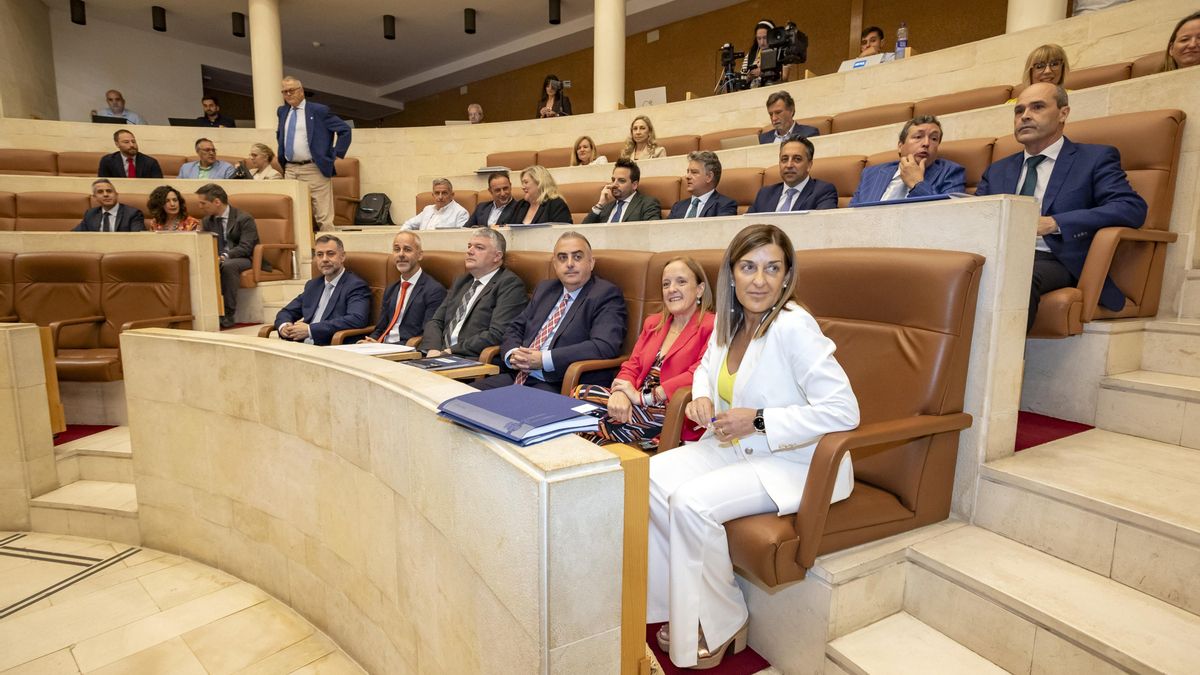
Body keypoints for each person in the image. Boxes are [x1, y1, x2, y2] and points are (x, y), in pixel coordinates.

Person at [647, 223, 859, 669]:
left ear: (787, 276)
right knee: (646, 479)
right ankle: (681, 605)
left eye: (772, 268)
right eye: (748, 267)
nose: (760, 280)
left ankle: (725, 619)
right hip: (733, 447)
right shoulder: (732, 320)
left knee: (690, 503)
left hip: (794, 461)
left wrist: (759, 420)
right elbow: (705, 368)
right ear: (731, 274)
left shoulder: (793, 326)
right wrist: (701, 395)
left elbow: (844, 411)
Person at [975, 83, 1147, 332]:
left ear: (1063, 113)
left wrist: (1055, 223)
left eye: (1037, 107)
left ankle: (1003, 358)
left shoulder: (1094, 159)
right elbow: (977, 217)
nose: (1025, 116)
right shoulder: (998, 170)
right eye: (1019, 110)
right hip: (997, 254)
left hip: (1055, 258)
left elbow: (1131, 208)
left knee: (1015, 276)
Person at [572, 256, 715, 447]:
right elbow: (633, 365)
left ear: (699, 289)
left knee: (577, 412)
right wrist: (620, 393)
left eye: (681, 282)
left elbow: (699, 373)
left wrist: (646, 397)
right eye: (666, 284)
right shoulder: (654, 323)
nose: (672, 289)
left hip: (672, 411)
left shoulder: (711, 326)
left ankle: (614, 439)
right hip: (637, 405)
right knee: (579, 397)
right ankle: (622, 446)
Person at [474, 231, 626, 392]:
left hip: (557, 383)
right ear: (555, 264)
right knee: (463, 397)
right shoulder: (546, 289)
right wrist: (513, 353)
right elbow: (515, 327)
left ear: (591, 263)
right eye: (562, 258)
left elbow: (604, 346)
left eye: (577, 257)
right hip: (517, 374)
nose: (569, 264)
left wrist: (544, 359)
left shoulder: (605, 294)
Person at [422, 228, 528, 359]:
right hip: (439, 355)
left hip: (470, 358)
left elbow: (497, 334)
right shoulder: (462, 281)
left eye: (479, 247)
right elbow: (436, 321)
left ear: (497, 256)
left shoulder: (509, 284)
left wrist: (450, 351)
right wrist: (433, 349)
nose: (469, 251)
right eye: (469, 246)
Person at [276, 76, 352, 232]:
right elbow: (281, 135)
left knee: (323, 217)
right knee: (293, 214)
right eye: (284, 92)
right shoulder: (282, 111)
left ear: (301, 91)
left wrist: (335, 154)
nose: (288, 94)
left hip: (314, 168)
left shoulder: (319, 111)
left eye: (291, 90)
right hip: (290, 169)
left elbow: (345, 130)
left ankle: (330, 246)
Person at [273, 235, 371, 346]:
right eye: (320, 255)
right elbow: (287, 312)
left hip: (329, 345)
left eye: (330, 254)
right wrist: (284, 326)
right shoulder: (313, 285)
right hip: (301, 344)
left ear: (342, 256)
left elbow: (356, 319)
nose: (324, 259)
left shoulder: (355, 285)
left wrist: (310, 330)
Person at [849, 115, 966, 206]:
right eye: (918, 137)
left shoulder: (950, 172)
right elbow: (851, 214)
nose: (926, 143)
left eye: (934, 139)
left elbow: (950, 216)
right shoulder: (871, 173)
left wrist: (917, 184)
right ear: (900, 146)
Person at [363, 232, 447, 345]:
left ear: (420, 255)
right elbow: (380, 328)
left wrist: (382, 347)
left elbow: (427, 334)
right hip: (381, 347)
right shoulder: (391, 289)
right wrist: (369, 341)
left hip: (407, 348)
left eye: (407, 249)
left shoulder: (434, 291)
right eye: (397, 249)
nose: (401, 254)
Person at [197, 183, 258, 329]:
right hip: (217, 258)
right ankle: (206, 311)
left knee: (228, 266)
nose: (200, 207)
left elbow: (246, 247)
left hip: (244, 258)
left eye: (203, 203)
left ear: (217, 202)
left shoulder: (244, 218)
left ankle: (228, 314)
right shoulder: (207, 221)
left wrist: (224, 256)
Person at [748, 135, 838, 213]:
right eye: (784, 159)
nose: (789, 165)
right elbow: (747, 224)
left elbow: (822, 224)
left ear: (809, 165)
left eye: (797, 159)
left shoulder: (823, 192)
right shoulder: (765, 194)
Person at [583, 159, 662, 224]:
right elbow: (583, 231)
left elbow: (653, 232)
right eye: (613, 180)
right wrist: (600, 204)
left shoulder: (648, 204)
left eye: (621, 181)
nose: (614, 184)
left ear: (634, 185)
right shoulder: (605, 206)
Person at [668, 151, 738, 219]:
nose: (687, 176)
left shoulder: (725, 205)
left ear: (709, 177)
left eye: (694, 172)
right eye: (688, 172)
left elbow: (720, 227)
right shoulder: (678, 206)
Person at [73, 179, 145, 232]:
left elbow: (137, 238)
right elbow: (75, 235)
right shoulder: (90, 214)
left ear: (116, 195)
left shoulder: (133, 214)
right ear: (95, 197)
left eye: (109, 191)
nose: (105, 194)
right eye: (100, 192)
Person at [401, 178, 469, 230]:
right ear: (433, 195)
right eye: (437, 193)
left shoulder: (461, 213)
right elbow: (408, 224)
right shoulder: (427, 209)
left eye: (444, 193)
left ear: (452, 195)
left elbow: (461, 236)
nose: (440, 197)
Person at [98, 129, 163, 179]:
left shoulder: (150, 162)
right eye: (126, 142)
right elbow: (102, 184)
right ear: (117, 144)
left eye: (133, 141)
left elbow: (158, 185)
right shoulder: (107, 161)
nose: (132, 145)